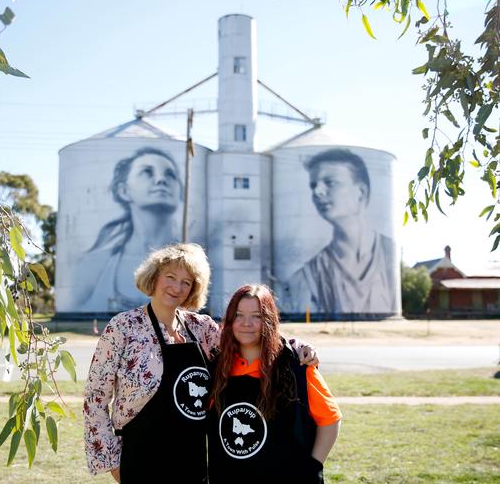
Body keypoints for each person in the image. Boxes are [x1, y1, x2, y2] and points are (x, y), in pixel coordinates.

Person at [83, 244, 318, 483]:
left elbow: (247, 335)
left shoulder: (201, 328)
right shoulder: (123, 327)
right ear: (154, 277)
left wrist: (295, 346)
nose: (177, 287)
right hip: (142, 454)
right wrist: (111, 460)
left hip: (192, 456)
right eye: (171, 277)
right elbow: (95, 397)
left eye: (187, 282)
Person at [207, 284, 341, 484]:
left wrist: (313, 467)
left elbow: (330, 420)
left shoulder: (294, 365)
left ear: (268, 320)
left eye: (256, 316)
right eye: (239, 315)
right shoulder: (216, 367)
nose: (246, 323)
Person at [284, 148, 398, 315]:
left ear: (361, 191)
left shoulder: (389, 254)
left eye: (330, 182)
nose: (317, 191)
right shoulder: (306, 278)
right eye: (313, 185)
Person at [70, 147, 183, 311]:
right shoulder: (93, 265)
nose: (161, 180)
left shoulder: (193, 266)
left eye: (170, 175)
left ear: (179, 191)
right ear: (124, 190)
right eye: (147, 172)